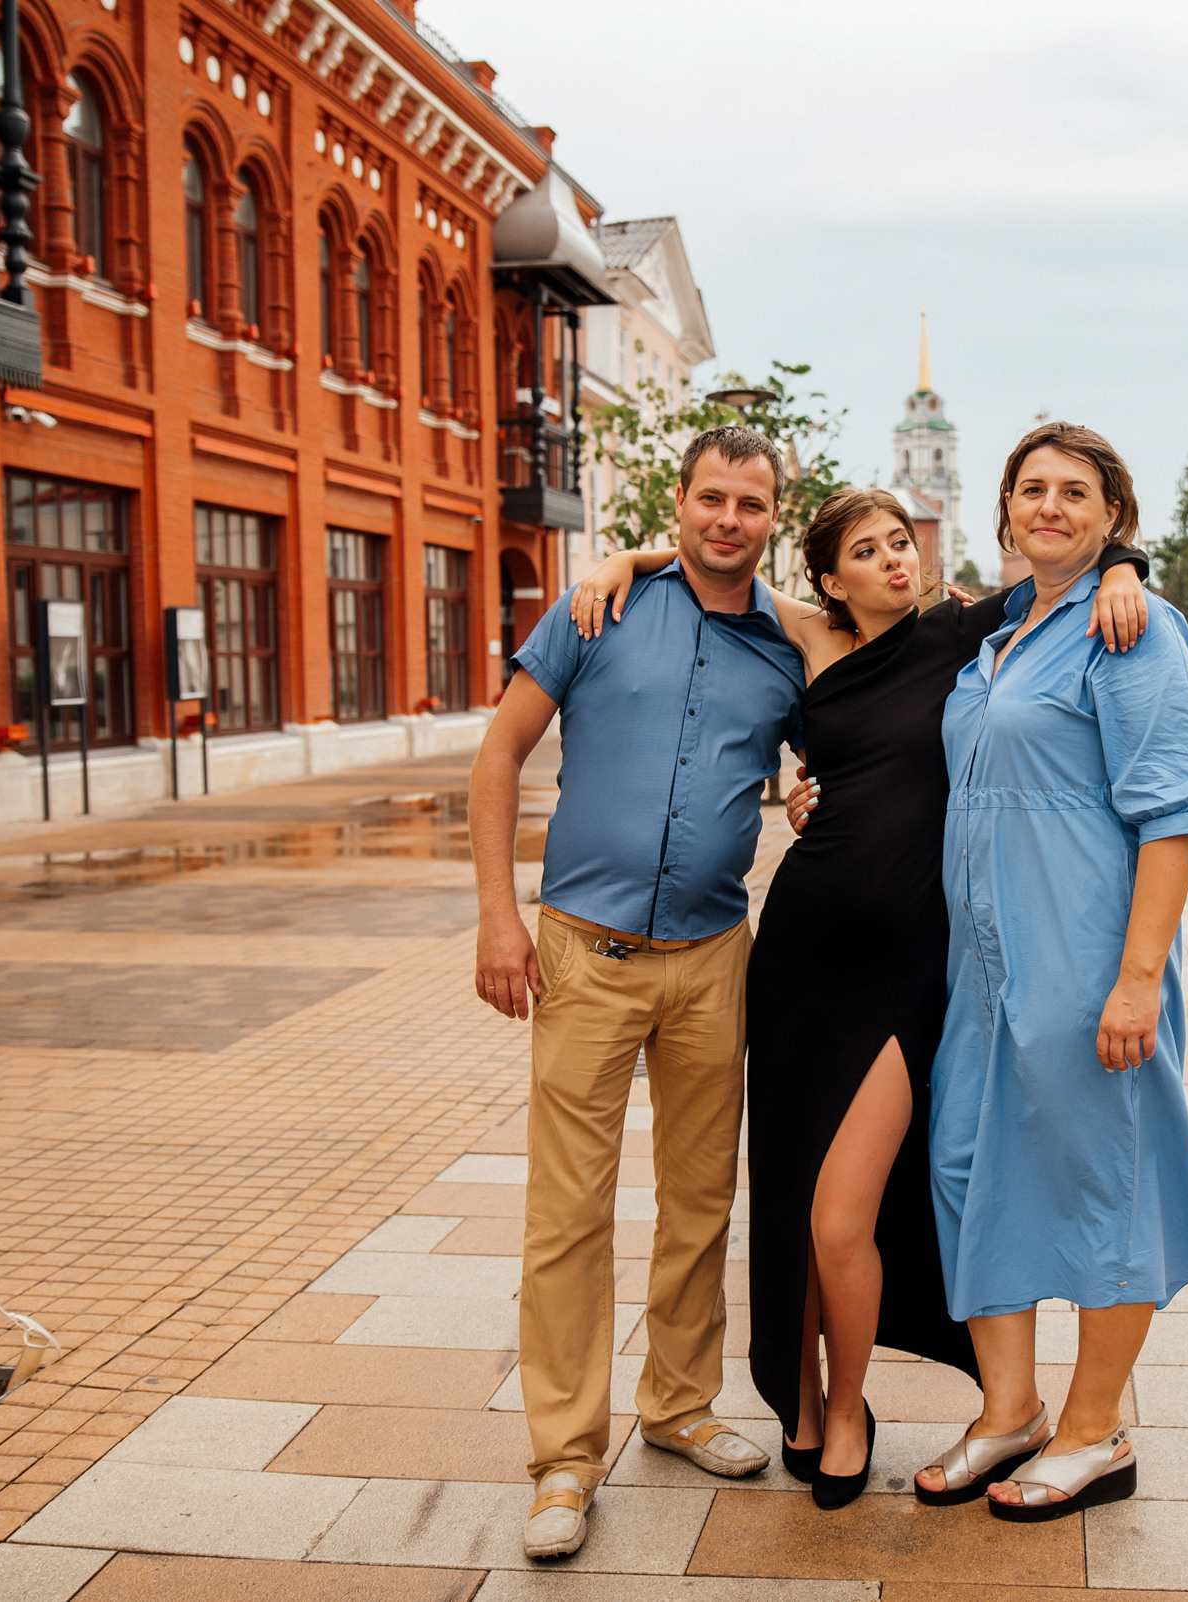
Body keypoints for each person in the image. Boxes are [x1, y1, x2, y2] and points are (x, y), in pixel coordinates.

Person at [568, 490, 1151, 1511]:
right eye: (868, 551)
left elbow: (1062, 572)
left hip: (904, 967)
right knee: (789, 1198)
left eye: (900, 544)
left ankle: (851, 1407)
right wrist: (625, 557)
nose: (894, 561)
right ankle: (800, 1402)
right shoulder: (809, 633)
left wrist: (1125, 569)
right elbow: (725, 559)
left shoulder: (965, 628)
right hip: (798, 953)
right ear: (831, 579)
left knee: (845, 1214)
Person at [469, 425, 798, 1561]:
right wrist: (497, 916)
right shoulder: (595, 610)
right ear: (680, 501)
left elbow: (896, 648)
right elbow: (500, 754)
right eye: (711, 499)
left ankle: (679, 1405)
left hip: (716, 959)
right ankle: (564, 1459)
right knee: (567, 1214)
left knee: (701, 1202)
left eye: (750, 506)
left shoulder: (787, 646)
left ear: (772, 520)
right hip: (582, 952)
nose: (727, 521)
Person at [915, 422, 1188, 1521]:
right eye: (1032, 489)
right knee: (965, 1166)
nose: (1051, 505)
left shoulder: (1131, 630)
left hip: (1088, 952)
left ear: (1110, 519)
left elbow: (1174, 812)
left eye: (1077, 493)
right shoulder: (999, 632)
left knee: (1109, 1179)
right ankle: (1012, 1411)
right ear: (1004, 511)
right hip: (984, 964)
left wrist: (1138, 977)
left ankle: (1097, 1430)